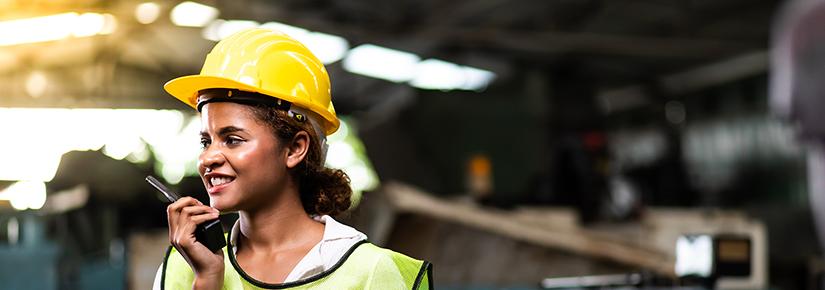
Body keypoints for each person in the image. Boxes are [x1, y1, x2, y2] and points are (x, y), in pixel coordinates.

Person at [151, 28, 433, 290]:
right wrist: (207, 281)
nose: (208, 157)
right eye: (206, 141)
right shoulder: (184, 266)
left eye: (233, 139)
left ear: (295, 148)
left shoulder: (376, 272)